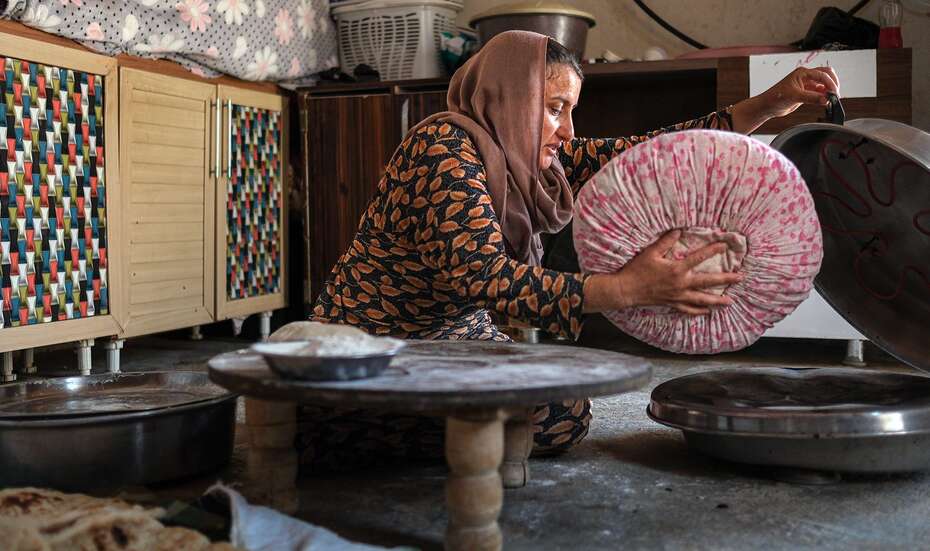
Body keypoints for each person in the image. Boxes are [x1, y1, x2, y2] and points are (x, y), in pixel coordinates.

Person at [300, 31, 841, 470]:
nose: (568, 130)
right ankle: (336, 421)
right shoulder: (442, 149)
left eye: (571, 110)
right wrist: (629, 289)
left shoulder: (525, 158)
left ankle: (416, 421)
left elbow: (650, 153)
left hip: (454, 338)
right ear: (509, 99)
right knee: (556, 413)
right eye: (555, 108)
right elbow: (488, 281)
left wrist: (771, 105)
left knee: (564, 400)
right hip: (380, 343)